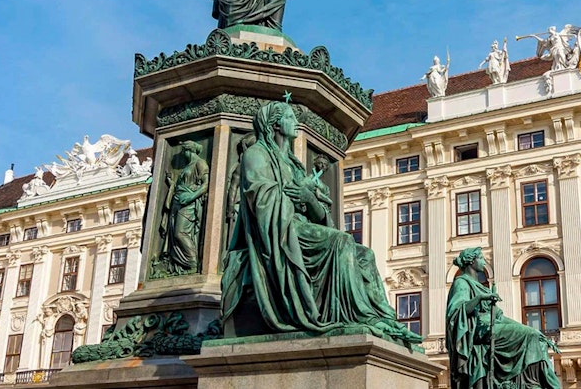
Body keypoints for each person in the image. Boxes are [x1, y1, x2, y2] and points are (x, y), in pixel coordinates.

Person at [221, 101, 420, 347]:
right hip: (282, 229)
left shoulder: (293, 163)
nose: (296, 122)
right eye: (291, 118)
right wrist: (293, 198)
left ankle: (383, 318)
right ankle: (359, 315)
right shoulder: (256, 154)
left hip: (299, 226)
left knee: (365, 255)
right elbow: (261, 200)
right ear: (276, 125)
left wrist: (308, 199)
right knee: (342, 240)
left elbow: (319, 212)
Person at [446, 248, 560, 389]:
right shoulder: (461, 283)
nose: (484, 261)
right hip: (479, 329)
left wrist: (529, 329)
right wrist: (480, 298)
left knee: (534, 337)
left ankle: (537, 383)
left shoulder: (480, 286)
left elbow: (499, 316)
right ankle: (530, 382)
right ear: (471, 261)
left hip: (494, 324)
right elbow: (457, 310)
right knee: (529, 336)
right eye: (481, 258)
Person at [158, 141, 210, 274]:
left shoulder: (200, 163)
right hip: (178, 202)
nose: (182, 154)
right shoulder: (189, 165)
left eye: (183, 151)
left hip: (188, 203)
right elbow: (182, 185)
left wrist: (191, 196)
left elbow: (205, 185)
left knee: (180, 233)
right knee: (175, 234)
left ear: (189, 150)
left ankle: (192, 262)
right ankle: (182, 263)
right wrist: (172, 184)